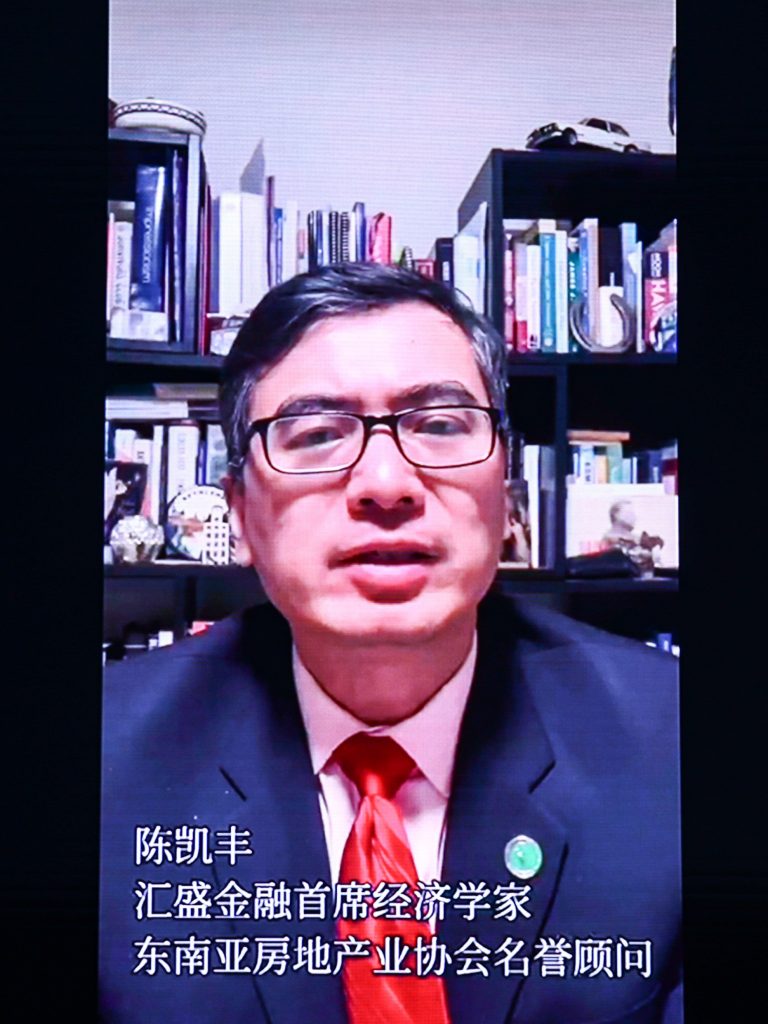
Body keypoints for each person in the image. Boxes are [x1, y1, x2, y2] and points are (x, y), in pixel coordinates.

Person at [100, 263, 682, 1023]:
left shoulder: (675, 742)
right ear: (239, 511)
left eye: (439, 426)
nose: (386, 483)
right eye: (317, 434)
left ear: (507, 491)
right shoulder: (100, 760)